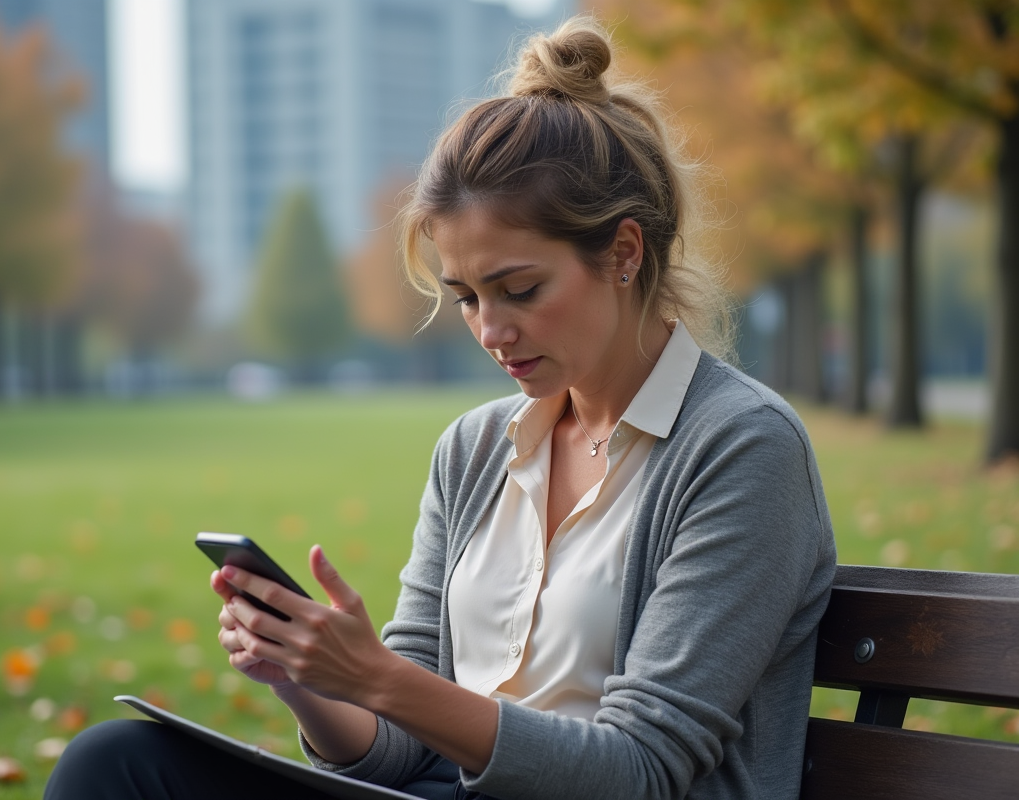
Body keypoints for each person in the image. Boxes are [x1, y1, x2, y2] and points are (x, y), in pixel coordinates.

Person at [45, 15, 836, 800]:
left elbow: (638, 771)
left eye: (519, 289)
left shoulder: (740, 448)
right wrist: (307, 679)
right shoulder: (477, 447)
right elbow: (397, 750)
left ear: (623, 253)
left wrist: (381, 679)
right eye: (465, 297)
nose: (491, 330)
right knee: (115, 763)